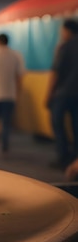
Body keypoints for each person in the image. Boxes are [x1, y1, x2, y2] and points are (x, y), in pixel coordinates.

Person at [46, 19, 78, 169]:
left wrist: (48, 94)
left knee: (57, 124)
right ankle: (75, 158)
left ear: (67, 30)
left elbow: (56, 72)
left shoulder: (64, 47)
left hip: (63, 93)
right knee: (76, 126)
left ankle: (63, 157)